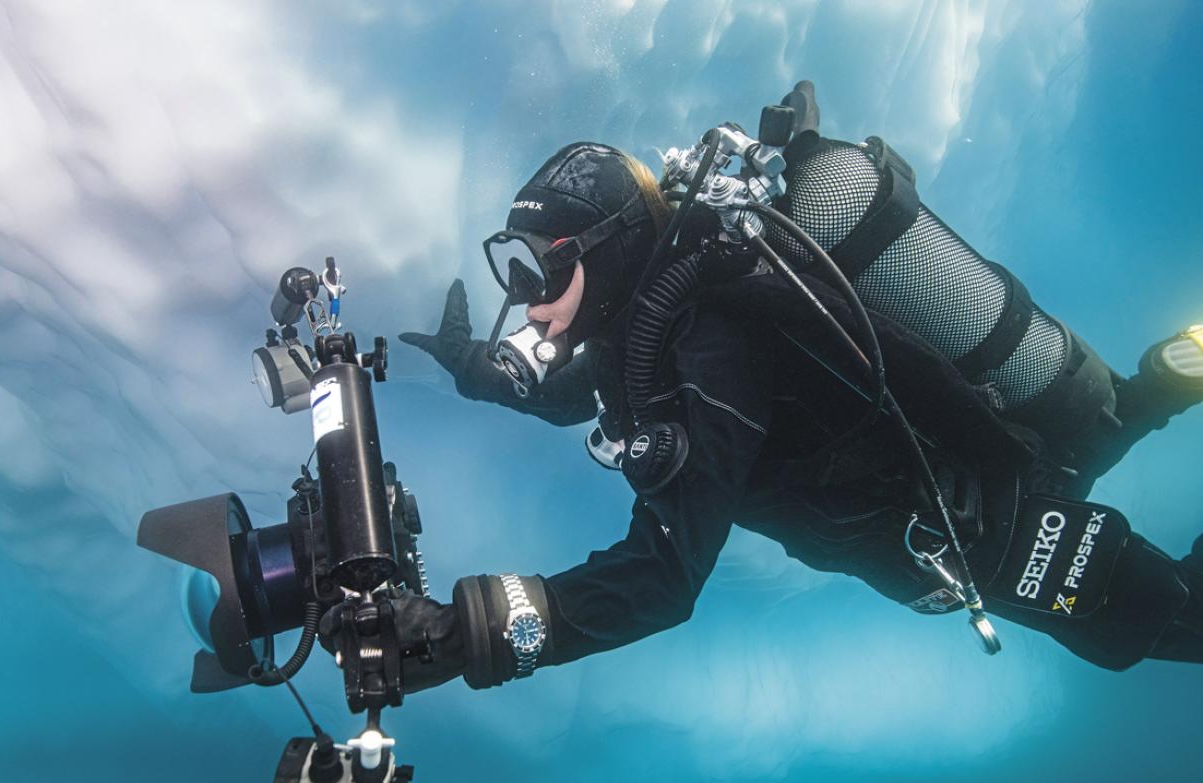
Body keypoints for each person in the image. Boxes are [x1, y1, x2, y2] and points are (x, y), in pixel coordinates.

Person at [355, 89, 1203, 693]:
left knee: (1167, 619)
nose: (528, 298)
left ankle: (1156, 392)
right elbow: (581, 393)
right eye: (514, 267)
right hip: (982, 471)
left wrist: (471, 632)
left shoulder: (707, 348)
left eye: (542, 266)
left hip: (990, 526)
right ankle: (1163, 382)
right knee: (1096, 432)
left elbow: (662, 578)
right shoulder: (644, 332)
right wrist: (477, 369)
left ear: (609, 250)